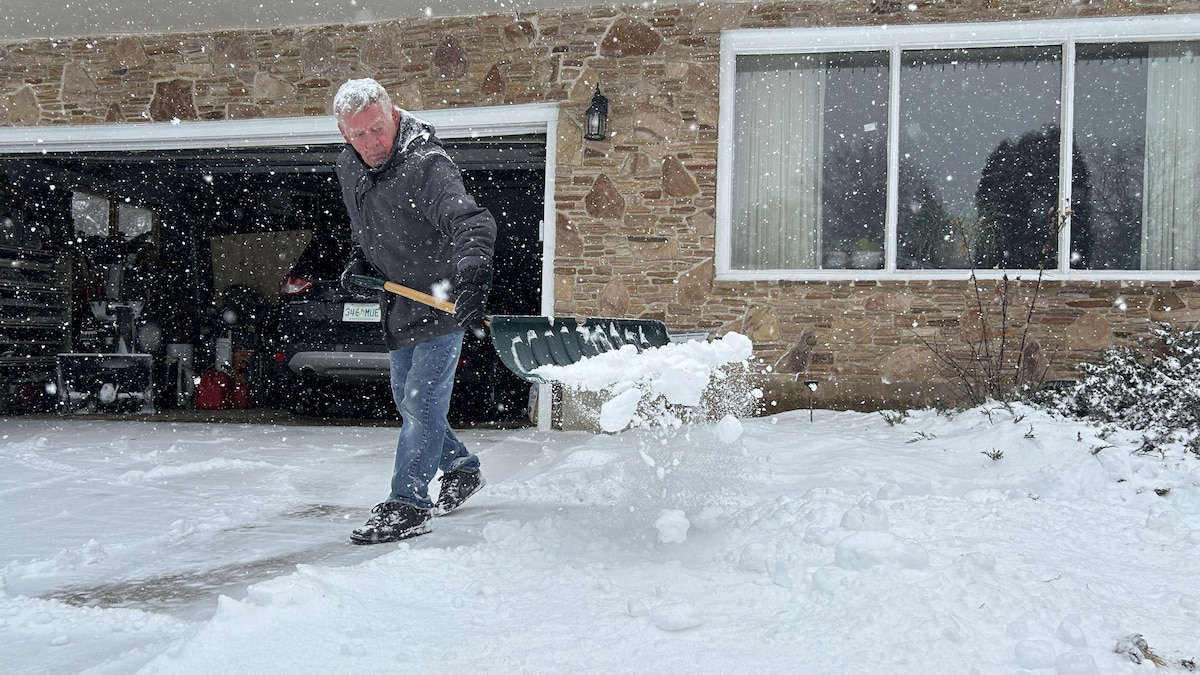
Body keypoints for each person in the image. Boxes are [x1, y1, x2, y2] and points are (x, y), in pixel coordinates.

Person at [332, 78, 495, 544]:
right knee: (409, 399)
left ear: (394, 115)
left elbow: (470, 221)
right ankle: (461, 467)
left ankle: (408, 502)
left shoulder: (427, 164)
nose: (371, 143)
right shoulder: (349, 166)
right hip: (401, 299)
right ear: (344, 134)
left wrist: (474, 274)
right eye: (359, 134)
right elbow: (366, 225)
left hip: (442, 299)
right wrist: (362, 259)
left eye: (377, 129)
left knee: (421, 403)